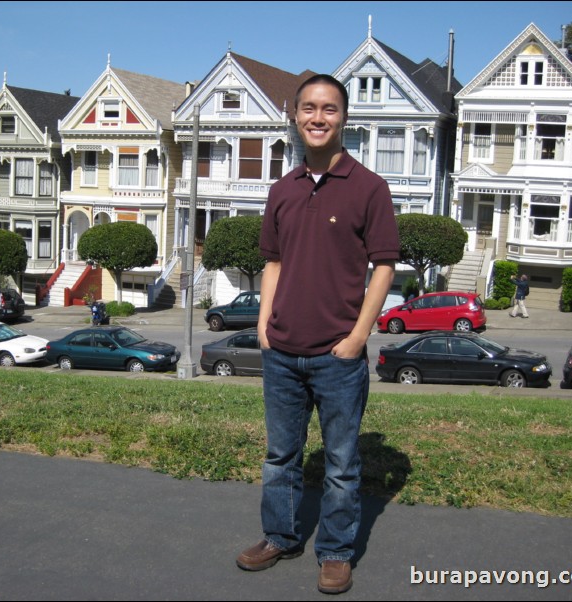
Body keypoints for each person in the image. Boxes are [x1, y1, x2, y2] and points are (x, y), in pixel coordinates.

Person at [235, 74, 399, 595]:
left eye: (329, 109)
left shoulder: (370, 187)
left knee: (341, 462)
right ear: (296, 114)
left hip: (338, 357)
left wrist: (356, 338)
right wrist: (263, 325)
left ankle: (335, 551)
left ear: (344, 118)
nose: (318, 117)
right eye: (309, 108)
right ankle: (280, 535)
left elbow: (384, 268)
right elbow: (273, 262)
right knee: (280, 456)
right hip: (282, 352)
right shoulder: (281, 189)